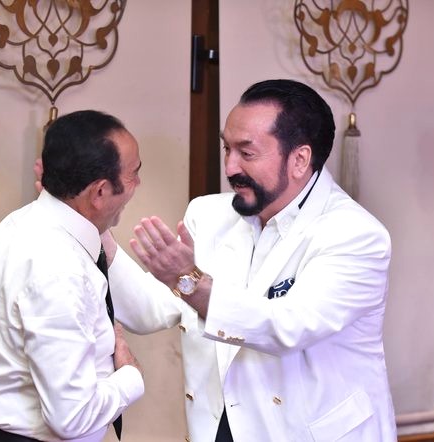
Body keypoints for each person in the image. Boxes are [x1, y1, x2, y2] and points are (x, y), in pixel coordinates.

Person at [104, 79, 396, 441]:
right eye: (227, 148)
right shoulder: (208, 215)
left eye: (247, 153)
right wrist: (93, 223)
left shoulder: (356, 234)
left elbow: (287, 327)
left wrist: (187, 280)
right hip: (218, 428)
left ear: (299, 160)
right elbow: (150, 309)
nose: (230, 167)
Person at [0, 110, 144, 442]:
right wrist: (130, 377)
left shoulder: (22, 223)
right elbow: (71, 417)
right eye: (133, 175)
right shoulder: (58, 265)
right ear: (100, 192)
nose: (137, 185)